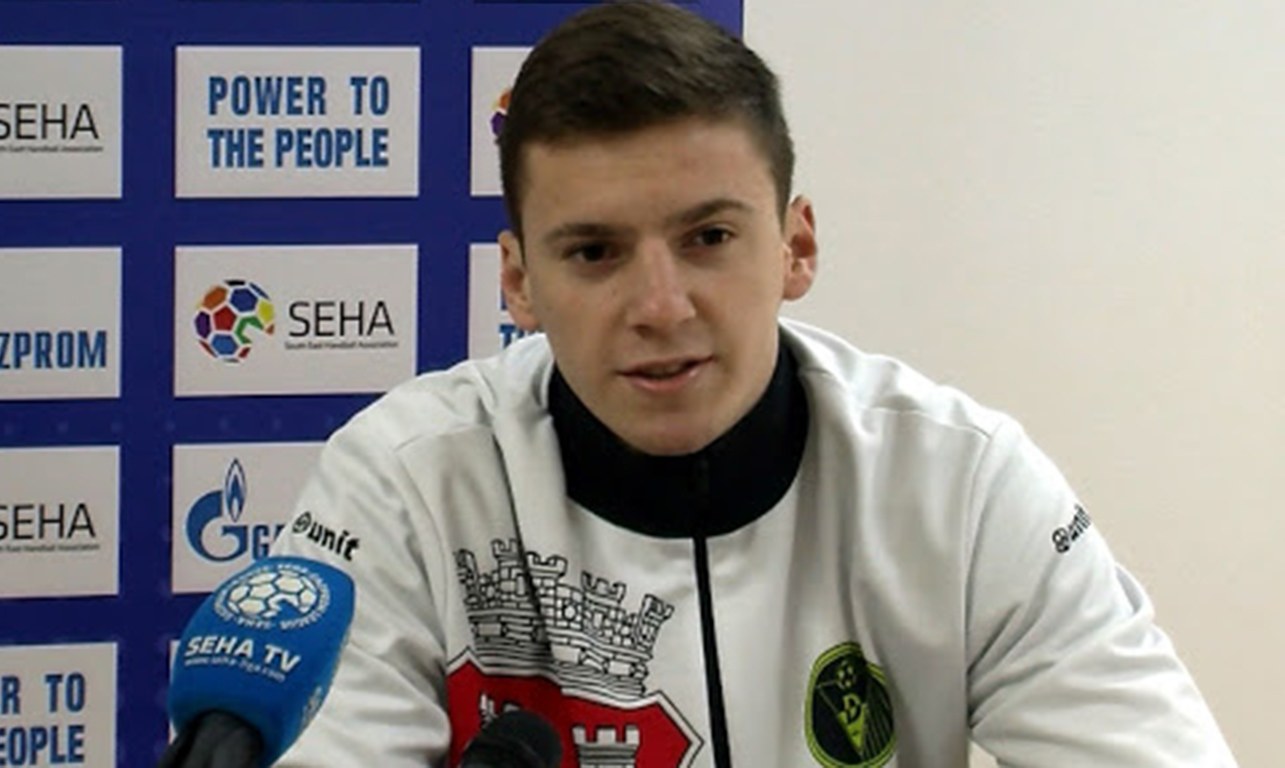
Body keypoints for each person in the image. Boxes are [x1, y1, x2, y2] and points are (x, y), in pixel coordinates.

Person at [272, 2, 1236, 766]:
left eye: (709, 237)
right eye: (596, 252)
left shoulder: (961, 483)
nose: (661, 306)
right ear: (519, 282)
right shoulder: (403, 482)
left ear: (795, 247)